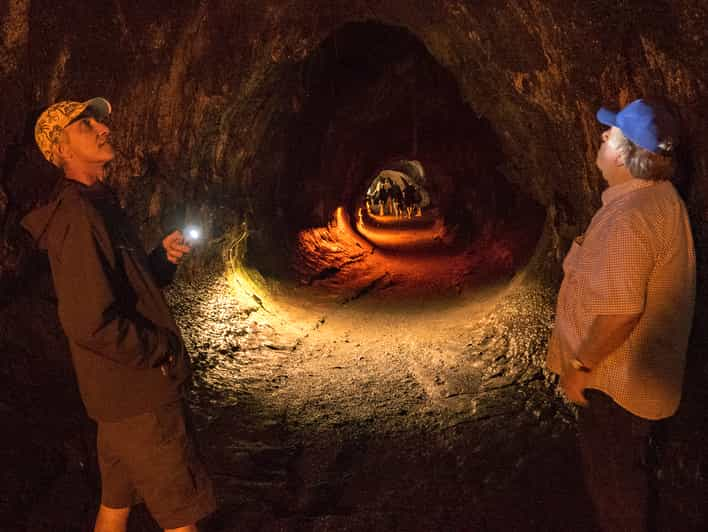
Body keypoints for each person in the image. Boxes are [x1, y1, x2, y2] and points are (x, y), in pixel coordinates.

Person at [21, 98, 217, 532]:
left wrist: (159, 261)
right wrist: (160, 350)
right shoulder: (80, 215)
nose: (103, 128)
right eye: (85, 125)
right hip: (139, 397)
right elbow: (89, 321)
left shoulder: (99, 205)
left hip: (117, 397)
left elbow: (121, 291)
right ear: (62, 149)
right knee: (182, 518)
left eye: (99, 121)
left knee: (115, 508)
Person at [546, 98, 695, 531]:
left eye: (610, 134)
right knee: (621, 478)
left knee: (615, 487)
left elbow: (620, 313)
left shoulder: (631, 219)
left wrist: (579, 366)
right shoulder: (654, 201)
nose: (601, 137)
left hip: (616, 385)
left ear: (624, 155)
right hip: (629, 384)